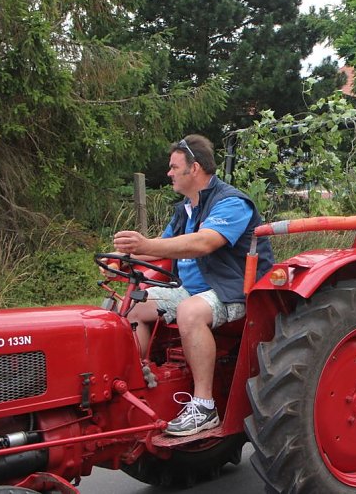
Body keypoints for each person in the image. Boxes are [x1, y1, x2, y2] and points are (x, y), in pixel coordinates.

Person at [113, 135, 274, 437]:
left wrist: (146, 243)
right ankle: (135, 379)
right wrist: (125, 255)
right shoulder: (185, 209)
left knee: (190, 311)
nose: (169, 173)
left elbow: (204, 243)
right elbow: (161, 247)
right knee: (134, 303)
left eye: (174, 167)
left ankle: (204, 406)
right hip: (192, 289)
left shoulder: (231, 202)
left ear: (195, 168)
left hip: (233, 289)